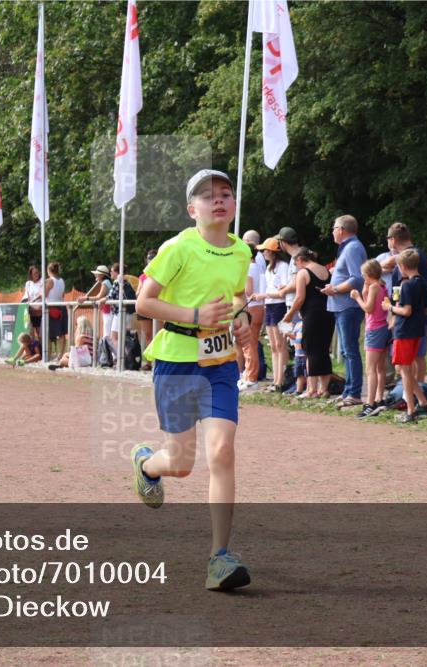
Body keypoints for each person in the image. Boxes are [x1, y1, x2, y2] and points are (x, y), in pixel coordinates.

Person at [132, 168, 252, 591]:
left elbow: (239, 294)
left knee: (221, 451)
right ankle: (147, 465)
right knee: (180, 465)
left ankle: (220, 557)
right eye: (207, 196)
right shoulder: (178, 247)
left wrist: (240, 317)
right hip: (177, 362)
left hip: (220, 363)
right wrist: (195, 317)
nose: (217, 200)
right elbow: (144, 303)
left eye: (225, 193)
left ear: (233, 204)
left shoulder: (240, 251)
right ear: (192, 209)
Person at [320, 215, 367, 407]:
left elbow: (357, 278)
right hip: (342, 306)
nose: (332, 232)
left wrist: (335, 289)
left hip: (349, 306)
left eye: (333, 228)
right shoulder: (347, 248)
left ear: (341, 229)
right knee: (347, 351)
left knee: (350, 350)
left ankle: (354, 392)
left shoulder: (353, 248)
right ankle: (349, 390)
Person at [383, 250, 427, 422]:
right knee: (407, 368)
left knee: (403, 370)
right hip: (418, 330)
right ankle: (423, 402)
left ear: (402, 266)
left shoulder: (407, 285)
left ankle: (411, 410)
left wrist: (389, 307)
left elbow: (406, 310)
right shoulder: (423, 283)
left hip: (404, 331)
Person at [381, 222, 427, 383]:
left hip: (408, 314)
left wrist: (394, 312)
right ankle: (415, 390)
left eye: (388, 239)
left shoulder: (407, 258)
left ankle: (416, 390)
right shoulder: (415, 255)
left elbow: (401, 289)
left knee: (413, 356)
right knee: (416, 355)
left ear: (393, 239)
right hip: (416, 312)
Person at [284, 248, 334, 398]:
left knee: (310, 349)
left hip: (312, 315)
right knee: (324, 350)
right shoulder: (325, 269)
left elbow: (299, 298)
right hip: (328, 312)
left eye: (296, 263)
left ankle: (311, 389)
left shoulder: (303, 273)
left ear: (300, 260)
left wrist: (289, 314)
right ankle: (324, 389)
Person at [350, 260, 388, 418]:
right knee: (380, 367)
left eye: (364, 274)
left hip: (374, 329)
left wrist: (357, 297)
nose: (362, 277)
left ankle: (370, 403)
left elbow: (368, 308)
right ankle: (379, 398)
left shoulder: (373, 287)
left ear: (369, 274)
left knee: (370, 369)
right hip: (383, 327)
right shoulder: (382, 286)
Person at [253, 237, 291, 393]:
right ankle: (276, 380)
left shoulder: (283, 267)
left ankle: (281, 380)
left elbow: (283, 292)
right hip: (270, 306)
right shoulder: (269, 268)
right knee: (274, 346)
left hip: (280, 307)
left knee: (281, 345)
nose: (263, 253)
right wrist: (265, 296)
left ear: (273, 252)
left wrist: (264, 295)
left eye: (265, 250)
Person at [235, 243, 264, 390]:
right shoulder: (258, 266)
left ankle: (251, 376)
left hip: (251, 307)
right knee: (251, 342)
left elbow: (247, 290)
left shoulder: (248, 268)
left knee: (248, 343)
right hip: (259, 306)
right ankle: (248, 374)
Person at [78, 265, 113, 342]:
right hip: (107, 310)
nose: (95, 275)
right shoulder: (106, 282)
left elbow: (99, 297)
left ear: (102, 275)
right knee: (108, 333)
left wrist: (85, 298)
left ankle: (107, 352)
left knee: (107, 334)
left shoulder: (105, 282)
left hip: (109, 311)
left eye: (97, 274)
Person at [136, 250, 158, 371]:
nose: (150, 262)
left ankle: (158, 360)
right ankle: (149, 362)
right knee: (148, 335)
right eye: (149, 260)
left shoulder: (163, 273)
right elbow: (138, 292)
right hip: (146, 308)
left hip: (158, 307)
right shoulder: (143, 276)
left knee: (159, 334)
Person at [46, 261, 67, 358]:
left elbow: (44, 295)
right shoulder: (62, 280)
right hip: (61, 307)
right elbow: (62, 295)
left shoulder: (49, 281)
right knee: (61, 333)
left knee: (49, 333)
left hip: (52, 308)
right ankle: (61, 354)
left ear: (48, 270)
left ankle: (49, 354)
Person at [23, 266, 44, 340]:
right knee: (31, 333)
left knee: (39, 332)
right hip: (31, 310)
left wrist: (33, 301)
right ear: (30, 274)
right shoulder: (28, 283)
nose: (37, 274)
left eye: (37, 272)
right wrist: (26, 303)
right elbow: (26, 295)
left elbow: (42, 294)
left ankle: (41, 349)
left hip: (39, 310)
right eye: (35, 273)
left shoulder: (42, 281)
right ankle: (34, 349)